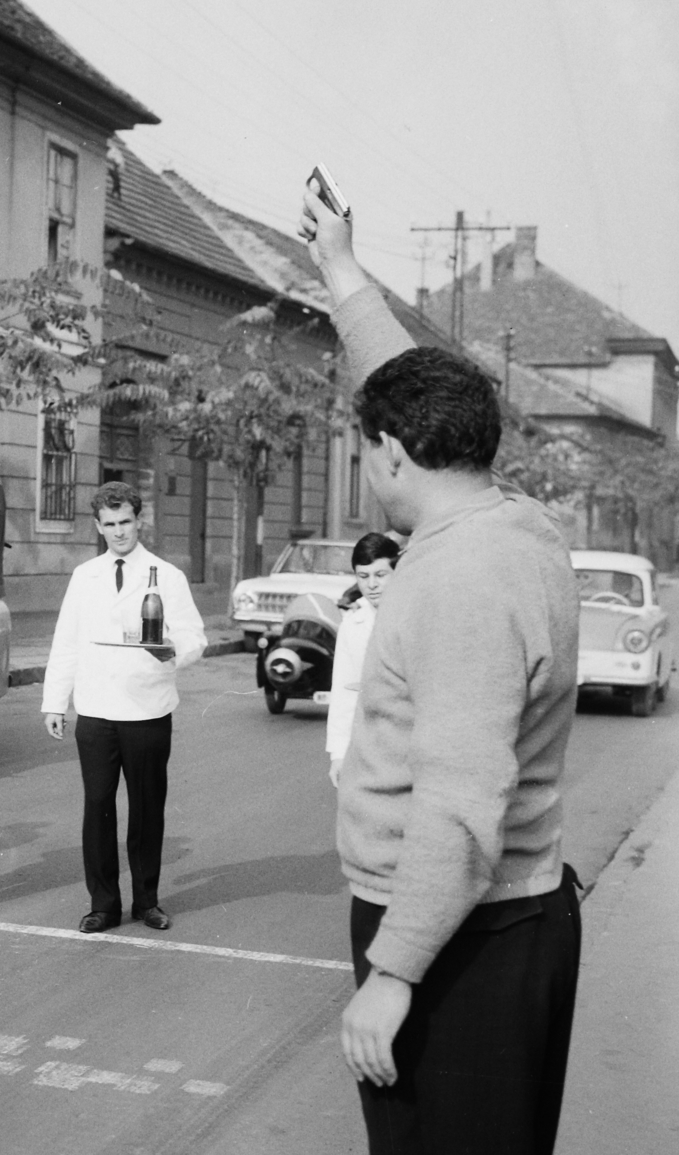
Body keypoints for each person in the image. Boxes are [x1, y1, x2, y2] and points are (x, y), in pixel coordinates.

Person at [302, 182, 581, 1155]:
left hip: (465, 941)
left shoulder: (462, 581)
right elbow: (405, 388)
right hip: (482, 922)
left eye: (365, 444)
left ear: (388, 454)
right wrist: (340, 271)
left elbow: (461, 800)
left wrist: (394, 973)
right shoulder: (504, 519)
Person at [42, 481, 207, 934]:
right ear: (98, 526)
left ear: (140, 521)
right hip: (95, 710)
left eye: (126, 522)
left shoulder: (166, 576)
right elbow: (66, 642)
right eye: (109, 525)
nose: (118, 532)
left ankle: (147, 901)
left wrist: (172, 649)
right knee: (97, 806)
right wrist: (55, 701)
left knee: (146, 808)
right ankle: (104, 904)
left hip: (148, 708)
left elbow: (194, 637)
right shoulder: (84, 575)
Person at [325, 532, 401, 787]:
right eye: (363, 576)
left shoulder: (412, 616)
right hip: (368, 743)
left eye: (381, 575)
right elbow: (344, 691)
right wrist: (338, 754)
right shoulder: (353, 624)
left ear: (396, 572)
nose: (371, 585)